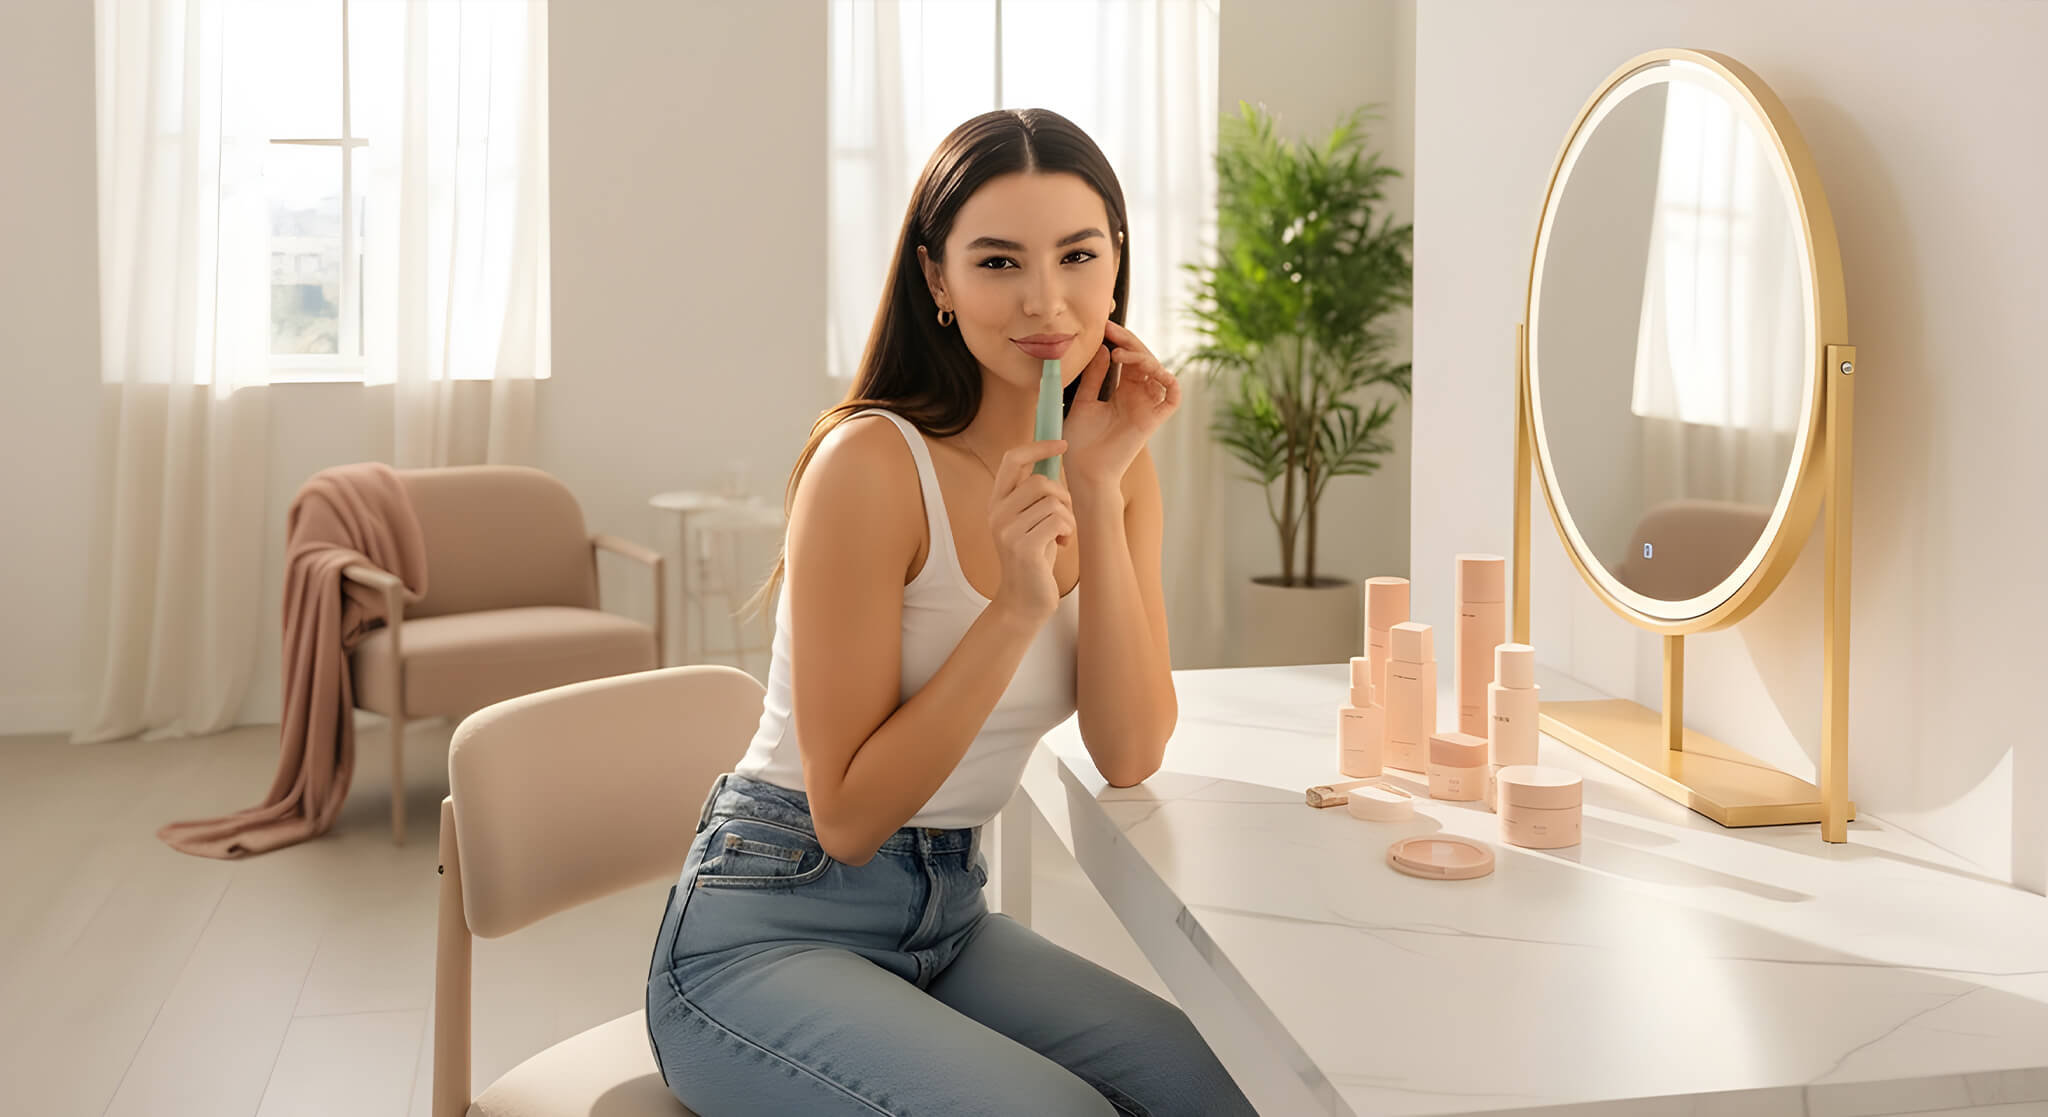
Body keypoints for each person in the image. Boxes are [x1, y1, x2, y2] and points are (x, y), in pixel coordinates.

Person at [644, 107, 1257, 1117]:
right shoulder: (872, 465)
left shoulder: (1115, 464)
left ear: (1117, 263)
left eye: (1077, 255)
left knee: (1225, 1088)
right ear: (937, 279)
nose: (1045, 300)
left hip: (948, 915)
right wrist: (1012, 609)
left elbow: (1130, 748)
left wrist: (1097, 487)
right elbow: (847, 819)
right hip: (767, 923)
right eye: (998, 262)